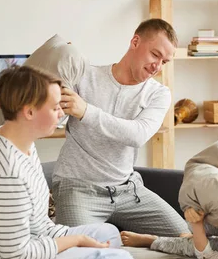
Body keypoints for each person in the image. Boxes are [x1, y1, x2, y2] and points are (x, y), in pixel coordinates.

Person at [0, 65, 135, 259]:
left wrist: (76, 240)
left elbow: (39, 224)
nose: (61, 114)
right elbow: (18, 256)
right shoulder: (7, 172)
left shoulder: (21, 142)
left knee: (109, 234)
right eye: (54, 108)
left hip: (23, 248)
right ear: (29, 112)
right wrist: (74, 241)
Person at [52, 18, 190, 237]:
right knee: (78, 254)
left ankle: (142, 240)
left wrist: (85, 110)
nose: (157, 66)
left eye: (165, 62)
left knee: (186, 238)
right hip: (78, 188)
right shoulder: (85, 76)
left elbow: (138, 135)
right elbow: (50, 107)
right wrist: (62, 61)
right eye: (155, 55)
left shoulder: (158, 93)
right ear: (135, 42)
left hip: (128, 191)